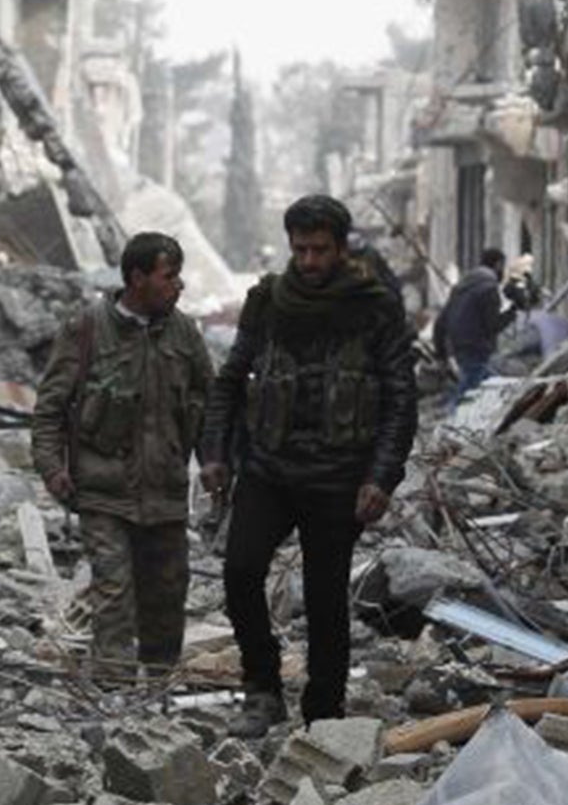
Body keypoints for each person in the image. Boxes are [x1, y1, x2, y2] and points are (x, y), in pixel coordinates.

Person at [202, 195, 418, 735]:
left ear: (341, 249)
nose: (309, 261)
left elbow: (399, 396)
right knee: (240, 572)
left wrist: (382, 476)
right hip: (269, 470)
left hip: (339, 479)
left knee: (325, 602)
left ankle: (324, 712)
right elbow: (230, 382)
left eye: (320, 250)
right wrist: (214, 454)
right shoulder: (269, 302)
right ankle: (262, 689)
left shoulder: (374, 306)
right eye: (300, 249)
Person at [30, 232, 213, 685]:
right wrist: (52, 470)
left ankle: (158, 684)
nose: (179, 286)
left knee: (168, 590)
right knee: (113, 589)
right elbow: (49, 409)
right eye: (169, 276)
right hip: (103, 489)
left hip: (166, 491)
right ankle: (113, 686)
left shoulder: (185, 333)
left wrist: (213, 462)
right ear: (137, 278)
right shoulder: (87, 330)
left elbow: (210, 406)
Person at [432, 247, 511, 408]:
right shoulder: (488, 287)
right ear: (498, 264)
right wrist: (512, 312)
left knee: (486, 383)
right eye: (503, 266)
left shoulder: (461, 287)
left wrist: (440, 354)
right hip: (476, 346)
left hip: (460, 346)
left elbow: (441, 322)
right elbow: (492, 325)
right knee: (468, 391)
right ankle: (451, 421)